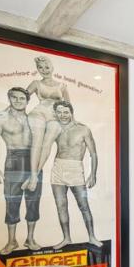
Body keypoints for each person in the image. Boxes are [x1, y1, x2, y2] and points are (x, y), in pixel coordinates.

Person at [25, 100, 98, 248]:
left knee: (83, 205)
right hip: (58, 168)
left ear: (71, 112)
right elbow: (45, 149)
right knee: (61, 206)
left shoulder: (83, 129)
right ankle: (66, 238)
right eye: (59, 112)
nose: (62, 115)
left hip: (75, 169)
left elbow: (93, 153)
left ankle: (92, 237)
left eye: (65, 112)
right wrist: (35, 173)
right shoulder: (55, 128)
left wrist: (93, 174)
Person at [0, 87, 42, 254]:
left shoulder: (33, 119)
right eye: (14, 97)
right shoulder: (0, 118)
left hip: (34, 160)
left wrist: (36, 170)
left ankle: (30, 238)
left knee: (33, 201)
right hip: (14, 159)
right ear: (9, 99)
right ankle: (11, 241)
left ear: (27, 101)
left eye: (22, 98)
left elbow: (41, 145)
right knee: (12, 201)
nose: (18, 101)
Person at [26, 55, 70, 171]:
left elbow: (68, 107)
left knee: (47, 142)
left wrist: (72, 124)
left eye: (47, 67)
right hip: (39, 113)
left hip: (55, 116)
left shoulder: (62, 86)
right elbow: (22, 97)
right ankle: (33, 175)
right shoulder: (36, 83)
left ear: (52, 68)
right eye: (40, 67)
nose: (44, 70)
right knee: (37, 140)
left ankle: (35, 173)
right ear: (37, 69)